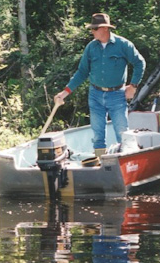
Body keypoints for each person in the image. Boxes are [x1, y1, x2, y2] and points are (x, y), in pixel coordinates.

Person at [54, 13, 146, 157]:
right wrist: (65, 92)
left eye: (94, 28)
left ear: (104, 28)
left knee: (122, 132)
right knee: (98, 135)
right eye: (91, 28)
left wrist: (133, 86)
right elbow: (82, 72)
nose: (92, 31)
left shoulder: (123, 45)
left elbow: (140, 63)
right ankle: (100, 162)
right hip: (95, 95)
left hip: (117, 95)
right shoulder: (91, 47)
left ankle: (125, 162)